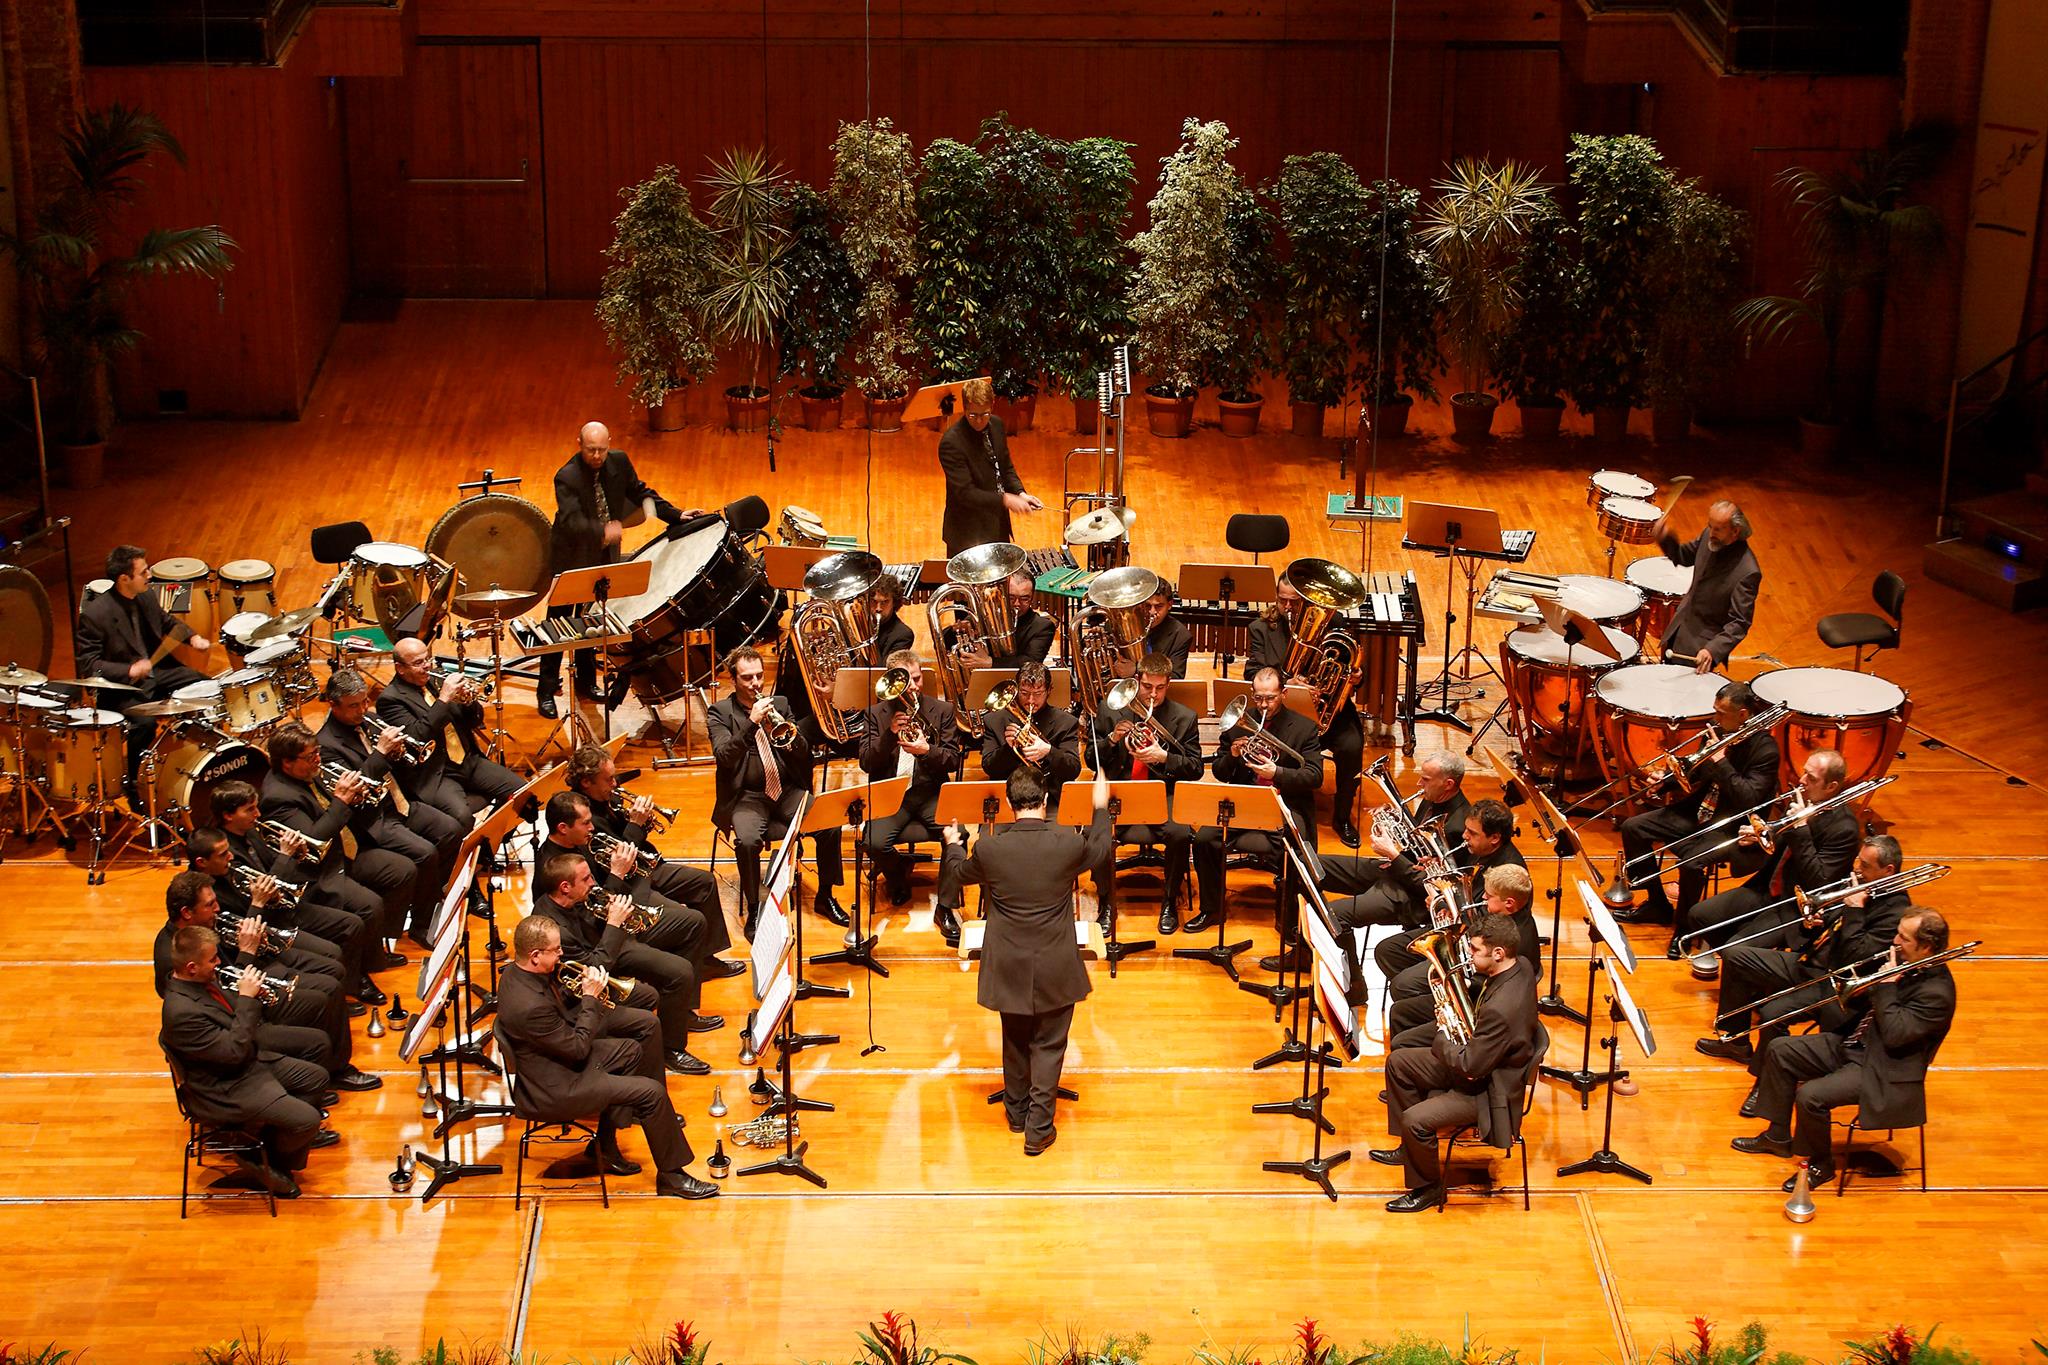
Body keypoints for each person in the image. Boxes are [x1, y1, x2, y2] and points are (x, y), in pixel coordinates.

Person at [942, 767, 1114, 1154]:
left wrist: (954, 843)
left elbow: (957, 874)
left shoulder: (989, 848)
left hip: (1008, 961)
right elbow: (1101, 850)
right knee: (1049, 1045)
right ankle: (1038, 1131)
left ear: (1008, 803)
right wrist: (1100, 807)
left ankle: (1016, 1114)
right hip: (1055, 961)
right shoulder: (1066, 844)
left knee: (1015, 1039)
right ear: (1047, 800)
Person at [498, 913, 718, 1200]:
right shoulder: (529, 1006)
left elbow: (560, 1022)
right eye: (556, 950)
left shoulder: (519, 973)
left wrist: (584, 986)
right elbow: (577, 1048)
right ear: (536, 955)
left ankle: (605, 1144)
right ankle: (672, 1176)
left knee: (633, 1049)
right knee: (650, 1093)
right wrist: (590, 997)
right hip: (556, 1087)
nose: (562, 954)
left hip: (555, 1061)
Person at [1732, 909, 1956, 1190]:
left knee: (1811, 1095)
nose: (1895, 941)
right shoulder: (1903, 962)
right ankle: (1777, 1137)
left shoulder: (1937, 993)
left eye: (1904, 938)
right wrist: (1864, 987)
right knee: (1781, 1049)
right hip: (1857, 1044)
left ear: (1927, 947)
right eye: (1898, 932)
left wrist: (1884, 987)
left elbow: (1897, 1035)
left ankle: (1820, 1164)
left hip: (1884, 1067)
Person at [1705, 834, 1914, 1086]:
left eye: (1866, 866)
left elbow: (1856, 955)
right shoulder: (1861, 886)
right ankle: (1737, 1041)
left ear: (1888, 870)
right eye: (1859, 861)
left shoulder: (1896, 912)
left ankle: (1765, 1085)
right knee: (1735, 954)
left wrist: (1855, 910)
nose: (1857, 869)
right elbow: (1831, 924)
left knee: (1772, 1013)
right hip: (1809, 961)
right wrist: (1812, 922)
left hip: (1833, 983)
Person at [152, 868, 378, 1093]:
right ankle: (333, 1072)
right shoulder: (171, 955)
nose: (218, 909)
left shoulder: (197, 929)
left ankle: (325, 1069)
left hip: (250, 989)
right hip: (239, 1019)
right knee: (323, 998)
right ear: (186, 912)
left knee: (330, 986)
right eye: (209, 905)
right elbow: (223, 991)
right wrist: (247, 951)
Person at [1372, 912, 1540, 1212]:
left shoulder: (1502, 1010)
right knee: (1398, 1062)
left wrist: (1442, 1036)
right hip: (1485, 1061)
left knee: (1416, 1120)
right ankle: (1409, 1149)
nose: (1470, 955)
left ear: (1498, 953)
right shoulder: (1522, 964)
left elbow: (1471, 1068)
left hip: (1490, 1091)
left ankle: (1429, 1188)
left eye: (1475, 950)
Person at [536, 793, 716, 1074]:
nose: (592, 826)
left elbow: (596, 892)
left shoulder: (577, 849)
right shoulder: (551, 896)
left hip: (611, 928)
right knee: (679, 972)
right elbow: (591, 961)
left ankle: (681, 1013)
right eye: (585, 823)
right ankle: (672, 1050)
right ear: (564, 887)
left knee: (692, 923)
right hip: (604, 945)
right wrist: (616, 909)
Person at [161, 924, 331, 1199]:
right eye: (213, 959)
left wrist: (253, 994)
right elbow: (233, 1052)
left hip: (247, 1063)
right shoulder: (181, 1013)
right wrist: (247, 999)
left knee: (316, 1077)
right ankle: (259, 1162)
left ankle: (270, 1157)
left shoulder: (200, 980)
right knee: (308, 1121)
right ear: (191, 967)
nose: (218, 963)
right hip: (225, 1087)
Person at [539, 421, 696, 718]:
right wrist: (601, 531)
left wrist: (675, 514)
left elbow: (640, 492)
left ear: (609, 443)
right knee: (558, 624)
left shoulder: (619, 461)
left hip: (601, 555)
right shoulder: (567, 476)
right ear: (579, 444)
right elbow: (571, 521)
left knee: (591, 621)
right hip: (572, 555)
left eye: (602, 449)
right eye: (591, 450)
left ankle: (586, 682)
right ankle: (546, 688)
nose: (597, 456)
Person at [1680, 749, 1861, 981]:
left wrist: (1801, 828)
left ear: (1831, 787)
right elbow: (1779, 837)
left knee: (1735, 950)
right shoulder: (1802, 799)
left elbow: (1820, 879)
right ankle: (1750, 973)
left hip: (1793, 905)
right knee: (1699, 915)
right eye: (1804, 773)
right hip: (1767, 889)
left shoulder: (1845, 829)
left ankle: (1748, 970)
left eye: (1812, 778)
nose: (1802, 781)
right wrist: (1760, 836)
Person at [1614, 680, 1779, 926]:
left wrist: (1721, 761)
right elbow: (1695, 771)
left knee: (1690, 864)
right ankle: (1657, 904)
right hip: (1698, 812)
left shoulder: (1766, 750)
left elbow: (1750, 800)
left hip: (1732, 826)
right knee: (1633, 827)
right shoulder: (1717, 730)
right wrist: (1665, 781)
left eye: (1721, 713)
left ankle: (1683, 928)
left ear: (1743, 714)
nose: (1715, 718)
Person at [703, 649, 845, 932]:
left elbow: (803, 752)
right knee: (746, 841)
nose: (756, 683)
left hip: (787, 789)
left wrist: (791, 738)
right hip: (748, 796)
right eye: (747, 678)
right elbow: (724, 756)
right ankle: (755, 908)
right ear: (733, 679)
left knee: (830, 822)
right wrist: (751, 723)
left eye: (759, 676)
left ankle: (826, 895)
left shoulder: (779, 703)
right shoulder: (720, 712)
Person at [317, 669, 462, 945]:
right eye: (353, 705)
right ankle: (421, 925)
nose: (363, 710)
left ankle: (430, 897)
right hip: (372, 819)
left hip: (400, 802)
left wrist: (397, 752)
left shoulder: (369, 720)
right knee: (425, 853)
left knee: (451, 829)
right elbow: (355, 790)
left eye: (364, 702)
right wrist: (381, 752)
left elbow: (394, 764)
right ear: (333, 705)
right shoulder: (326, 745)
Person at [260, 721, 419, 969]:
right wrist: (341, 800)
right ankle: (361, 974)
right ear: (287, 763)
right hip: (318, 873)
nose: (317, 759)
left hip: (347, 850)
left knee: (402, 869)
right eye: (310, 756)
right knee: (369, 904)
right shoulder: (278, 798)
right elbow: (313, 840)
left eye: (317, 752)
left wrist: (354, 796)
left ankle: (376, 945)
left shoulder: (309, 771)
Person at [565, 744, 738, 964]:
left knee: (704, 882)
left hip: (646, 866)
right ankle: (688, 962)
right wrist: (636, 825)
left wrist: (644, 822)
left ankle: (708, 958)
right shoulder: (584, 817)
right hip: (631, 880)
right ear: (586, 782)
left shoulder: (609, 797)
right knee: (691, 920)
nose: (615, 784)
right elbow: (620, 859)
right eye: (608, 779)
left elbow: (633, 838)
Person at [1189, 668, 1323, 938]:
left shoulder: (1304, 728)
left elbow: (1315, 775)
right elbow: (1220, 772)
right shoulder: (1238, 725)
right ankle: (1212, 909)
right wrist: (1234, 756)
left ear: (1283, 694)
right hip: (1244, 804)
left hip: (1284, 805)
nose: (1263, 705)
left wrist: (1278, 773)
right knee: (1204, 839)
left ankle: (1289, 920)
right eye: (1259, 698)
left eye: (1270, 698)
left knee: (1297, 848)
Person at [74, 544, 213, 798]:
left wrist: (192, 638)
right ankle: (135, 785)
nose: (150, 575)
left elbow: (167, 621)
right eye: (144, 571)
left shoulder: (146, 595)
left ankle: (195, 762)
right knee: (144, 724)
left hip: (159, 672)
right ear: (124, 579)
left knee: (204, 688)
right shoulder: (95, 614)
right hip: (125, 687)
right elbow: (88, 663)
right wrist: (129, 669)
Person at [1246, 573, 1365, 846]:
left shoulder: (1333, 622)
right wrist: (1287, 681)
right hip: (1284, 715)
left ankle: (1343, 818)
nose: (1287, 608)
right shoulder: (1261, 627)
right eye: (1282, 600)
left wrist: (1356, 676)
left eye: (1294, 603)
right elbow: (1252, 671)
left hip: (1328, 714)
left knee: (1351, 747)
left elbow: (1349, 663)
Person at [1089, 652, 1201, 934]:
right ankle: (1106, 902)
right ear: (1137, 680)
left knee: (1179, 832)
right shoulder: (1111, 709)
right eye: (1148, 687)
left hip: (1164, 792)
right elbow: (1091, 760)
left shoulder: (1184, 717)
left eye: (1160, 688)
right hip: (1120, 792)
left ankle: (1169, 901)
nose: (1153, 694)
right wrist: (1113, 739)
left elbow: (1196, 767)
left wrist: (1164, 757)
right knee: (1098, 834)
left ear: (1169, 683)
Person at [1368, 799, 1526, 987]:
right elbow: (1459, 878)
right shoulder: (1480, 848)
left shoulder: (1507, 873)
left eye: (1472, 833)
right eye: (1466, 829)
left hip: (1478, 949)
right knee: (1387, 951)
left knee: (1404, 984)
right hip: (1457, 927)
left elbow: (1486, 924)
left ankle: (1430, 998)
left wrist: (1442, 903)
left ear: (1494, 838)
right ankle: (1423, 996)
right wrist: (1436, 864)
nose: (1465, 836)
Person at [859, 649, 964, 928]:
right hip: (894, 796)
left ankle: (945, 907)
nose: (916, 686)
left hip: (931, 793)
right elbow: (867, 763)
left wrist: (927, 750)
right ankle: (897, 877)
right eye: (909, 682)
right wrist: (889, 736)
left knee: (959, 836)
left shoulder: (942, 711)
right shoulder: (875, 715)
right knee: (873, 842)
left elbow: (952, 759)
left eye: (918, 679)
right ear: (893, 684)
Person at [1382, 864, 1538, 1044]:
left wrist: (1462, 981)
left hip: (1476, 1005)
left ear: (1509, 903)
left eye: (1489, 895)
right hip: (1472, 980)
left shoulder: (1516, 941)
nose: (1484, 897)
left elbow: (1499, 985)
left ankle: (1414, 1057)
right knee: (1399, 1011)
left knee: (1403, 999)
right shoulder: (1507, 917)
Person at [377, 638, 525, 815]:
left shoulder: (436, 677)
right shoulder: (390, 700)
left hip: (468, 761)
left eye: (427, 659)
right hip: (437, 773)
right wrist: (444, 699)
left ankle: (491, 838)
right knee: (462, 817)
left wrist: (469, 701)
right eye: (418, 663)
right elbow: (416, 737)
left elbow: (474, 721)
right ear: (400, 668)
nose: (427, 666)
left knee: (523, 793)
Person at [1655, 499, 1761, 674]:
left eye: (1718, 529)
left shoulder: (1747, 572)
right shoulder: (1709, 536)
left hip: (1701, 648)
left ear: (1735, 531)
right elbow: (1682, 556)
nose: (1711, 532)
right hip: (1678, 629)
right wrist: (1664, 537)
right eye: (1710, 526)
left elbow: (1739, 623)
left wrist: (1713, 649)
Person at [940, 377, 1040, 557]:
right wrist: (1005, 500)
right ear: (964, 408)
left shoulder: (997, 425)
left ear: (992, 406)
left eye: (984, 414)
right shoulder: (951, 443)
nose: (979, 421)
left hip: (996, 524)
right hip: (967, 533)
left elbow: (1004, 467)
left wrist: (1020, 493)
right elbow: (965, 493)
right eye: (973, 415)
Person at [954, 571, 1056, 671]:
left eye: (1024, 598)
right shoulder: (984, 618)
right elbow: (947, 643)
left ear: (1032, 597)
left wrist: (989, 662)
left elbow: (1031, 662)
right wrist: (957, 631)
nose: (1017, 604)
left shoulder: (1043, 626)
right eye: (1011, 598)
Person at [1140, 583, 1191, 679]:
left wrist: (1135, 670)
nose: (1152, 612)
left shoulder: (1181, 635)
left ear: (1170, 605)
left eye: (1159, 606)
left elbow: (1176, 677)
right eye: (1147, 606)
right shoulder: (1128, 624)